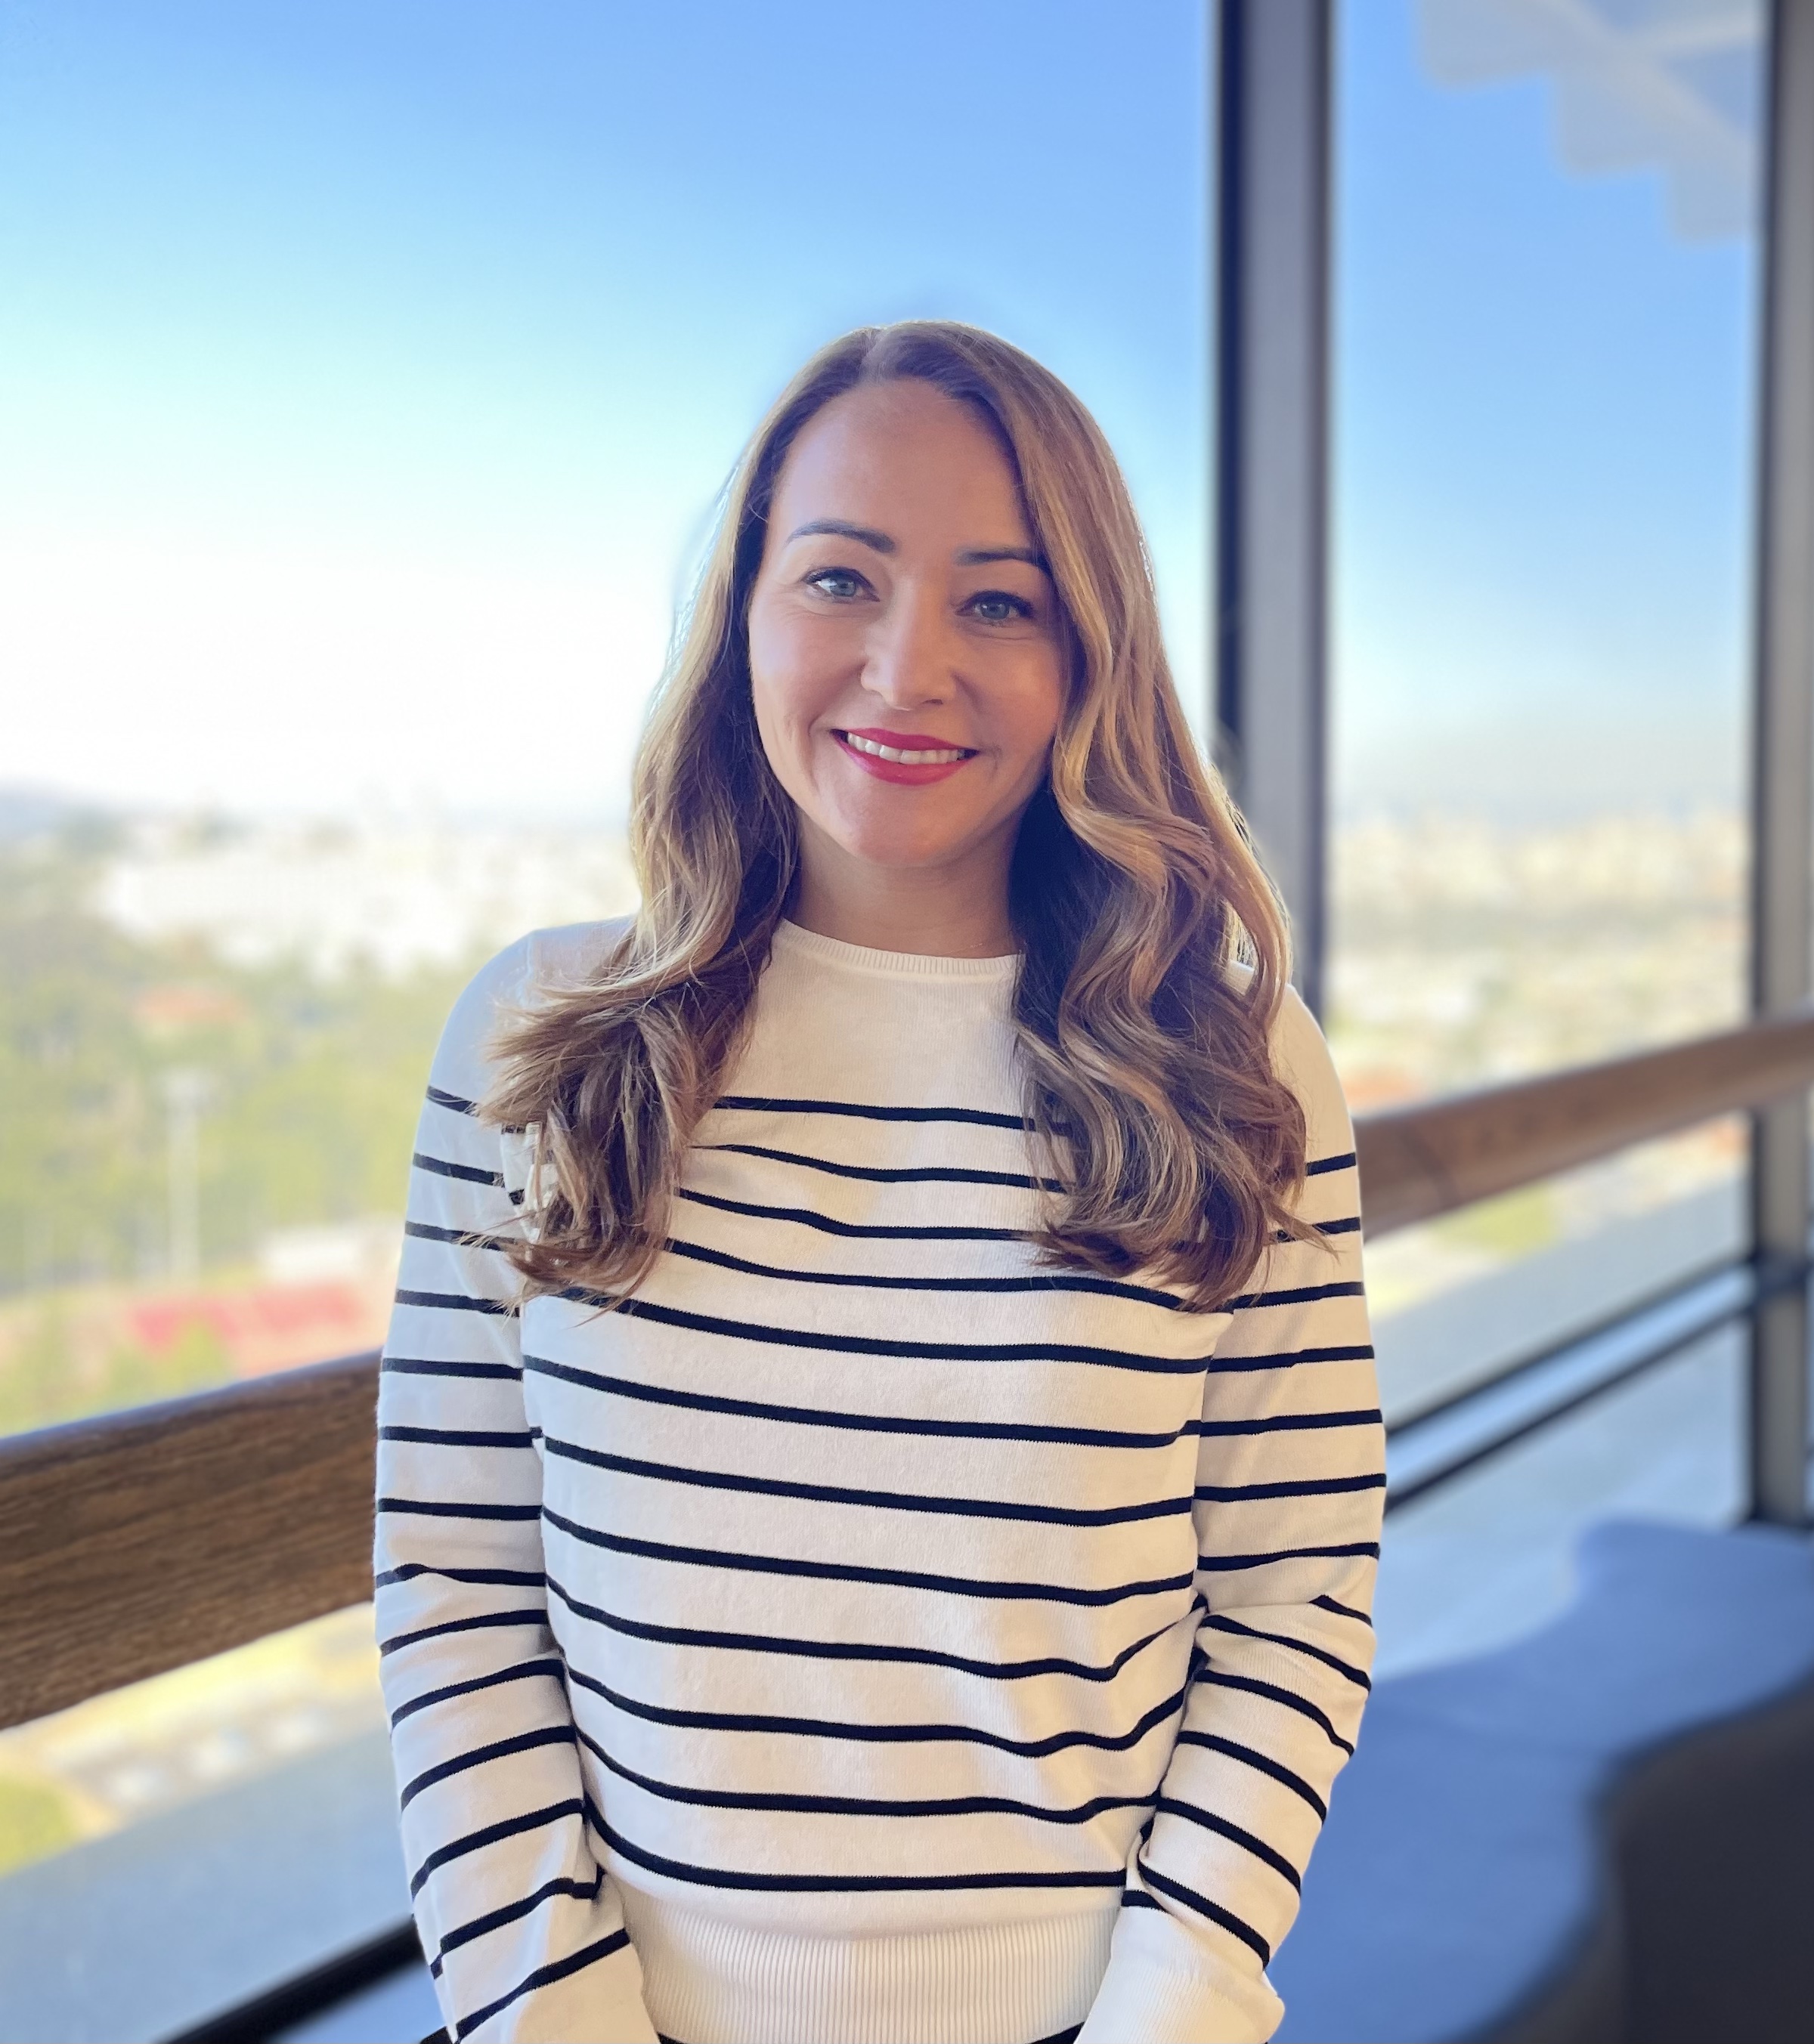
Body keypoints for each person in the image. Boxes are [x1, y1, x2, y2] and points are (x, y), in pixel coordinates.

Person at [375, 321, 1380, 2044]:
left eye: (1001, 600)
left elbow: (1298, 1582)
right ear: (745, 616)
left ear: (1090, 653)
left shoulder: (1230, 1061)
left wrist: (1175, 2009)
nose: (906, 668)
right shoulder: (542, 1039)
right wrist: (549, 2015)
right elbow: (456, 1572)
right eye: (840, 578)